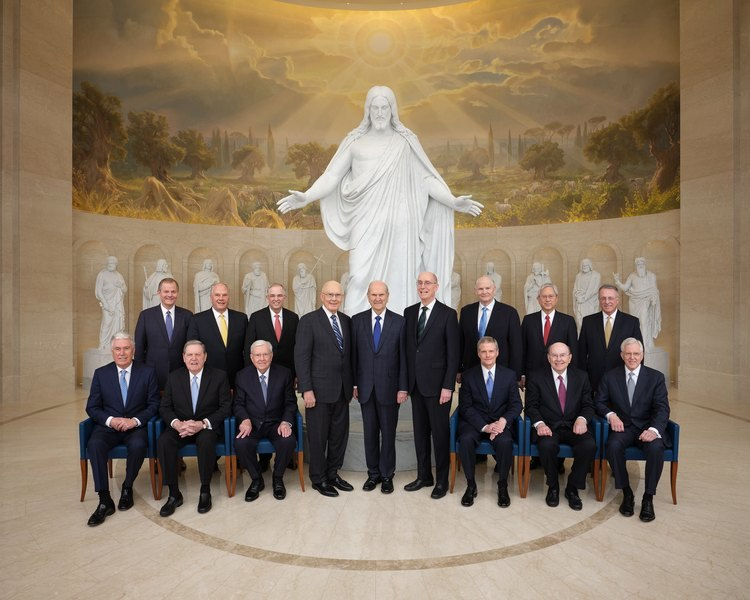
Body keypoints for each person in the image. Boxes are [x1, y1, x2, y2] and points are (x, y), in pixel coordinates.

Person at [277, 85, 483, 316]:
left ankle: (400, 334)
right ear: (367, 110)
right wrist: (306, 197)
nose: (380, 112)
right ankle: (358, 334)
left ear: (393, 110)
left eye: (385, 107)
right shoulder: (355, 142)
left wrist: (453, 201)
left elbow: (426, 179)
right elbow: (331, 176)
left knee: (401, 278)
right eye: (375, 107)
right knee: (358, 278)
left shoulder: (405, 142)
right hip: (365, 223)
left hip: (402, 226)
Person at [85, 332, 160, 526]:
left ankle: (127, 487)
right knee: (94, 445)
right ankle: (104, 499)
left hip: (135, 426)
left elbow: (154, 404)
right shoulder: (101, 374)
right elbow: (92, 407)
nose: (122, 353)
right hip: (108, 427)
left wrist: (134, 421)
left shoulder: (147, 372)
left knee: (138, 445)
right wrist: (110, 420)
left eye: (126, 348)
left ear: (133, 350)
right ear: (112, 352)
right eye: (118, 349)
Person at [596, 338, 670, 522]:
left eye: (636, 354)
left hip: (647, 427)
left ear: (642, 355)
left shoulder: (656, 377)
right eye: (628, 354)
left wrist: (654, 429)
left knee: (655, 448)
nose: (632, 357)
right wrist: (611, 415)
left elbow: (662, 408)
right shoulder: (610, 376)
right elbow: (599, 402)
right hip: (624, 428)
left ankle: (648, 498)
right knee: (612, 446)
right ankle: (627, 492)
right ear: (622, 355)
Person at [157, 340, 232, 516]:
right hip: (181, 426)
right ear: (183, 358)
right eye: (189, 355)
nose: (194, 358)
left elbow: (226, 407)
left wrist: (203, 423)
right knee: (164, 441)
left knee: (206, 440)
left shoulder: (219, 376)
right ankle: (174, 494)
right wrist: (177, 424)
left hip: (206, 426)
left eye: (198, 354)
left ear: (205, 357)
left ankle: (205, 490)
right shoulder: (174, 377)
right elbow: (165, 407)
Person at [294, 280, 354, 497]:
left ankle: (332, 473)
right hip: (317, 393)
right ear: (321, 296)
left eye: (338, 295)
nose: (334, 298)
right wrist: (306, 389)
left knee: (339, 436)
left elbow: (349, 357)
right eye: (330, 294)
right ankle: (318, 478)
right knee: (318, 437)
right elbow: (301, 358)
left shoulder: (347, 321)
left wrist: (353, 384)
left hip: (342, 391)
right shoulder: (309, 321)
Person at [403, 272, 459, 499]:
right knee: (420, 434)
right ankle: (424, 475)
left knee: (440, 435)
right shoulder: (409, 312)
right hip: (416, 385)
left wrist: (448, 386)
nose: (423, 286)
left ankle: (442, 481)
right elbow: (408, 350)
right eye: (420, 283)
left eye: (428, 283)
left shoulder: (448, 314)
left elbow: (453, 354)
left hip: (438, 389)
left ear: (436, 286)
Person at [524, 342, 597, 511]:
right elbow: (531, 406)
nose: (559, 359)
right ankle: (553, 486)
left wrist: (582, 419)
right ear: (548, 358)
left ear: (570, 358)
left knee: (589, 445)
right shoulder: (536, 377)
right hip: (548, 426)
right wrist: (539, 424)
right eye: (554, 355)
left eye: (563, 355)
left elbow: (588, 405)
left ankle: (572, 487)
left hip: (574, 425)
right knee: (547, 445)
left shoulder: (582, 376)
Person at [351, 281, 407, 494]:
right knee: (370, 434)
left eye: (381, 294)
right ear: (368, 296)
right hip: (365, 388)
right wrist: (355, 383)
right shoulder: (357, 321)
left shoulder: (400, 322)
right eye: (373, 294)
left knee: (388, 434)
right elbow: (354, 357)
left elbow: (404, 358)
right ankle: (372, 474)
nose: (377, 298)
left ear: (388, 296)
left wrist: (403, 388)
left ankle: (387, 475)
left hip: (391, 389)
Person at [457, 336, 522, 508]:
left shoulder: (509, 375)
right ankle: (471, 485)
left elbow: (516, 405)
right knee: (465, 440)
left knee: (505, 441)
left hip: (500, 423)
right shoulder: (468, 376)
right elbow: (465, 407)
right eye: (484, 351)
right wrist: (485, 427)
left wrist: (503, 421)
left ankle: (502, 485)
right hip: (475, 422)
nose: (487, 355)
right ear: (478, 354)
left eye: (491, 351)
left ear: (497, 352)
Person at [244, 283, 300, 472]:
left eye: (279, 295)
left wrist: (297, 375)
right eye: (272, 295)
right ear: (267, 297)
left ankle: (288, 456)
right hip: (261, 372)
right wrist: (249, 376)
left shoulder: (293, 318)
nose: (276, 299)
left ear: (284, 297)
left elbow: (297, 349)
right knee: (262, 411)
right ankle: (265, 458)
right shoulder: (256, 317)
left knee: (284, 410)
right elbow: (248, 348)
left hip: (286, 376)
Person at [234, 340, 297, 502]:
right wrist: (245, 419)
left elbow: (290, 403)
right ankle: (256, 480)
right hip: (253, 424)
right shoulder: (242, 376)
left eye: (265, 354)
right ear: (251, 357)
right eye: (257, 355)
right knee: (241, 443)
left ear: (271, 355)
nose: (261, 358)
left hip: (276, 423)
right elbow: (238, 404)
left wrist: (286, 422)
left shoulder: (284, 373)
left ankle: (278, 478)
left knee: (288, 441)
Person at [578, 285, 643, 396]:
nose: (607, 301)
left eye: (610, 298)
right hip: (594, 381)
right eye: (603, 298)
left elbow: (639, 353)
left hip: (622, 380)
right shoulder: (588, 321)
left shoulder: (631, 322)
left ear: (617, 300)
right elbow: (581, 354)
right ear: (599, 300)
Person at [459, 275, 522, 381]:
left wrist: (516, 375)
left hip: (501, 373)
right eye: (480, 289)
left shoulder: (509, 313)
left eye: (487, 288)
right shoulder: (466, 312)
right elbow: (460, 342)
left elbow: (516, 346)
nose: (484, 292)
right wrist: (458, 369)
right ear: (475, 291)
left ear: (494, 289)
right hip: (471, 372)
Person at [134, 277, 192, 390]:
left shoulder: (187, 316)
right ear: (159, 293)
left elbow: (191, 345)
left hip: (180, 373)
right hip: (153, 373)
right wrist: (139, 373)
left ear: (177, 293)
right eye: (166, 291)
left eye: (173, 291)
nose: (170, 295)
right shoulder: (146, 316)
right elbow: (140, 347)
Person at [187, 282, 247, 388]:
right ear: (211, 297)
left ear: (228, 297)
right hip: (208, 378)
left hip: (237, 378)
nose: (221, 298)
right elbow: (193, 349)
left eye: (224, 295)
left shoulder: (241, 319)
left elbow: (246, 349)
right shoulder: (197, 320)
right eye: (217, 295)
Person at [520, 283, 578, 378]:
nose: (547, 299)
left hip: (559, 374)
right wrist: (521, 374)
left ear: (556, 298)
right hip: (533, 374)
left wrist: (572, 374)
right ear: (538, 299)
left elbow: (573, 350)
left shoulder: (568, 321)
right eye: (544, 296)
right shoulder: (528, 320)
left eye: (551, 296)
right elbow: (522, 349)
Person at [614, 257, 661, 350]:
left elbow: (654, 290)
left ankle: (643, 345)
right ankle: (635, 344)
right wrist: (617, 281)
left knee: (643, 322)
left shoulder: (651, 276)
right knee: (634, 323)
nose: (640, 265)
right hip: (634, 301)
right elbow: (625, 287)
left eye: (642, 263)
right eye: (638, 264)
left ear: (645, 264)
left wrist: (654, 299)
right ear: (636, 266)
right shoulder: (632, 276)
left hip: (645, 301)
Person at [95, 256, 127, 350]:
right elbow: (99, 291)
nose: (111, 265)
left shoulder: (119, 275)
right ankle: (103, 344)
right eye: (109, 263)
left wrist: (120, 285)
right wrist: (106, 304)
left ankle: (116, 344)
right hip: (107, 303)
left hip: (118, 304)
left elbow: (125, 289)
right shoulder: (102, 274)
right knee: (107, 323)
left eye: (113, 263)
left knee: (118, 323)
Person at [573, 258, 601, 330]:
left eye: (586, 266)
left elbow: (595, 289)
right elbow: (575, 288)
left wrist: (584, 298)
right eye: (583, 266)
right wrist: (577, 296)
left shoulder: (596, 275)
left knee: (591, 322)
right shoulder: (578, 276)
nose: (584, 267)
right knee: (580, 323)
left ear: (590, 266)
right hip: (580, 302)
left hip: (591, 302)